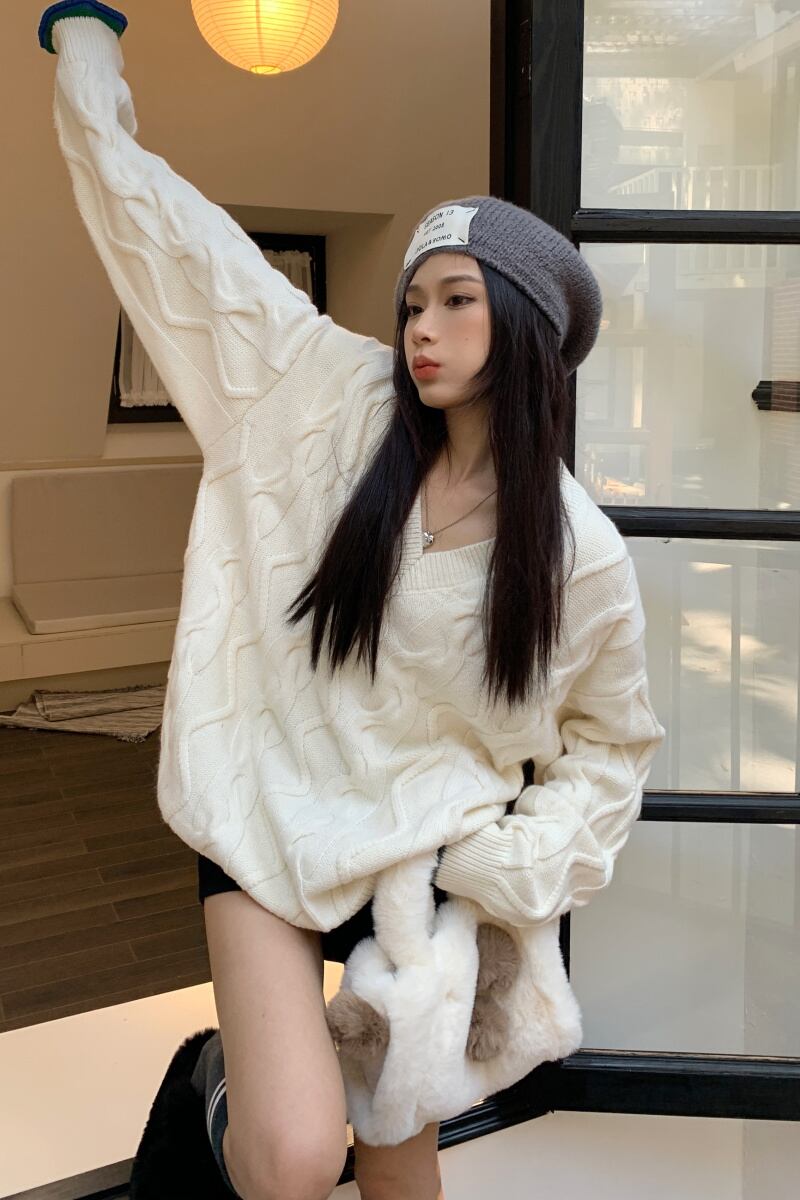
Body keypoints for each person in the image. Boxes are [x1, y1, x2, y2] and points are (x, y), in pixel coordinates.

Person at [37, 4, 666, 1198]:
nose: (420, 329)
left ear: (528, 327)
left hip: (423, 857)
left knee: (395, 1153)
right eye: (412, 303)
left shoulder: (575, 551)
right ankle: (218, 1079)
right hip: (271, 808)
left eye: (456, 301)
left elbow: (610, 743)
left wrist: (510, 859)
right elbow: (174, 244)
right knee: (291, 1157)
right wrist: (87, 54)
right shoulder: (325, 398)